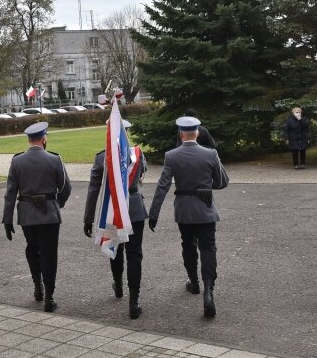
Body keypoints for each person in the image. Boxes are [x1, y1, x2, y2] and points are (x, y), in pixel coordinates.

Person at [148, 116, 229, 318]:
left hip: (184, 210)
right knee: (208, 247)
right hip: (206, 209)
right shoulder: (211, 153)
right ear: (198, 133)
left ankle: (194, 282)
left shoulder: (171, 156)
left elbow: (162, 186)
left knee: (188, 245)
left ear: (181, 134)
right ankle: (209, 292)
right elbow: (221, 182)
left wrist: (154, 213)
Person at [2, 122, 72, 313]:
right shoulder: (55, 159)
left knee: (33, 250)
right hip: (49, 213)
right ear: (44, 139)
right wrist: (58, 203)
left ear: (29, 140)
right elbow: (66, 187)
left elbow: (10, 193)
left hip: (27, 215)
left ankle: (37, 286)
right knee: (50, 254)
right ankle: (49, 296)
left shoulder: (17, 161)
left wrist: (7, 219)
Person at [83, 119, 147, 319]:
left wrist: (88, 218)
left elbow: (94, 189)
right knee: (135, 254)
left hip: (113, 209)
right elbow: (142, 173)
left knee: (116, 249)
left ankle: (118, 285)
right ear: (127, 133)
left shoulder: (103, 157)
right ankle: (134, 301)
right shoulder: (137, 154)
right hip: (135, 208)